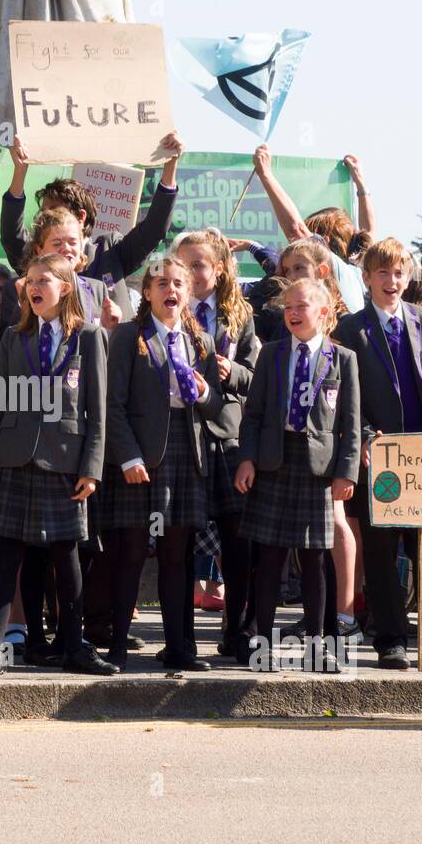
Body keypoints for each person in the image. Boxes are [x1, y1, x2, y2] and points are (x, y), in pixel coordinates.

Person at [0, 253, 116, 677]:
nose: (32, 287)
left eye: (43, 280)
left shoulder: (89, 338)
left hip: (64, 463)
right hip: (14, 461)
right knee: (6, 558)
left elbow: (98, 412)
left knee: (67, 557)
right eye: (29, 281)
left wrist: (91, 468)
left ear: (65, 288)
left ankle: (74, 644)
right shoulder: (13, 341)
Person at [332, 238, 422, 670]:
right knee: (381, 550)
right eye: (383, 273)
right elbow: (346, 400)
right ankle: (390, 639)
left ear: (408, 278)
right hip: (382, 456)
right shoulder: (350, 329)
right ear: (368, 278)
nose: (392, 281)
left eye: (399, 273)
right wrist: (367, 436)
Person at [102, 255, 223, 671]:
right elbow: (112, 406)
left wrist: (207, 393)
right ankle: (117, 644)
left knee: (178, 556)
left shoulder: (201, 341)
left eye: (177, 283)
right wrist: (129, 456)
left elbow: (216, 408)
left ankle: (178, 647)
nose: (170, 290)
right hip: (141, 458)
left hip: (185, 457)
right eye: (161, 283)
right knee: (132, 552)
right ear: (147, 293)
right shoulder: (127, 337)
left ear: (187, 293)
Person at [235, 278, 358, 672]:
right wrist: (247, 459)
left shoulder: (343, 359)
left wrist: (346, 472)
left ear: (324, 312)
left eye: (302, 305)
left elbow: (352, 424)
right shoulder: (271, 355)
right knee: (268, 559)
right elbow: (252, 415)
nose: (292, 312)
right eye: (288, 305)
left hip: (318, 471)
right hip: (274, 461)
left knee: (315, 560)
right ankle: (263, 647)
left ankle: (320, 648)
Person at [178, 229, 258, 657]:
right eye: (183, 265)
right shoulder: (169, 308)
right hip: (183, 434)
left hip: (227, 436)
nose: (190, 274)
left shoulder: (238, 316)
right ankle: (182, 637)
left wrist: (233, 373)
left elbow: (256, 376)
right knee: (183, 536)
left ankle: (238, 631)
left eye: (199, 265)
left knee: (236, 537)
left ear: (220, 269)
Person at [0, 131, 184, 317]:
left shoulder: (109, 251)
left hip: (112, 345)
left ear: (80, 218)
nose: (46, 219)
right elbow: (11, 236)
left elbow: (154, 230)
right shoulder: (37, 259)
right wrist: (20, 171)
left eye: (55, 212)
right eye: (44, 214)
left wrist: (170, 167)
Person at [251, 143, 366, 313]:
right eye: (288, 270)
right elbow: (368, 231)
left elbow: (296, 229)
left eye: (298, 267)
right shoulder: (357, 273)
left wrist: (265, 174)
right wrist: (361, 185)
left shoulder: (342, 272)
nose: (290, 276)